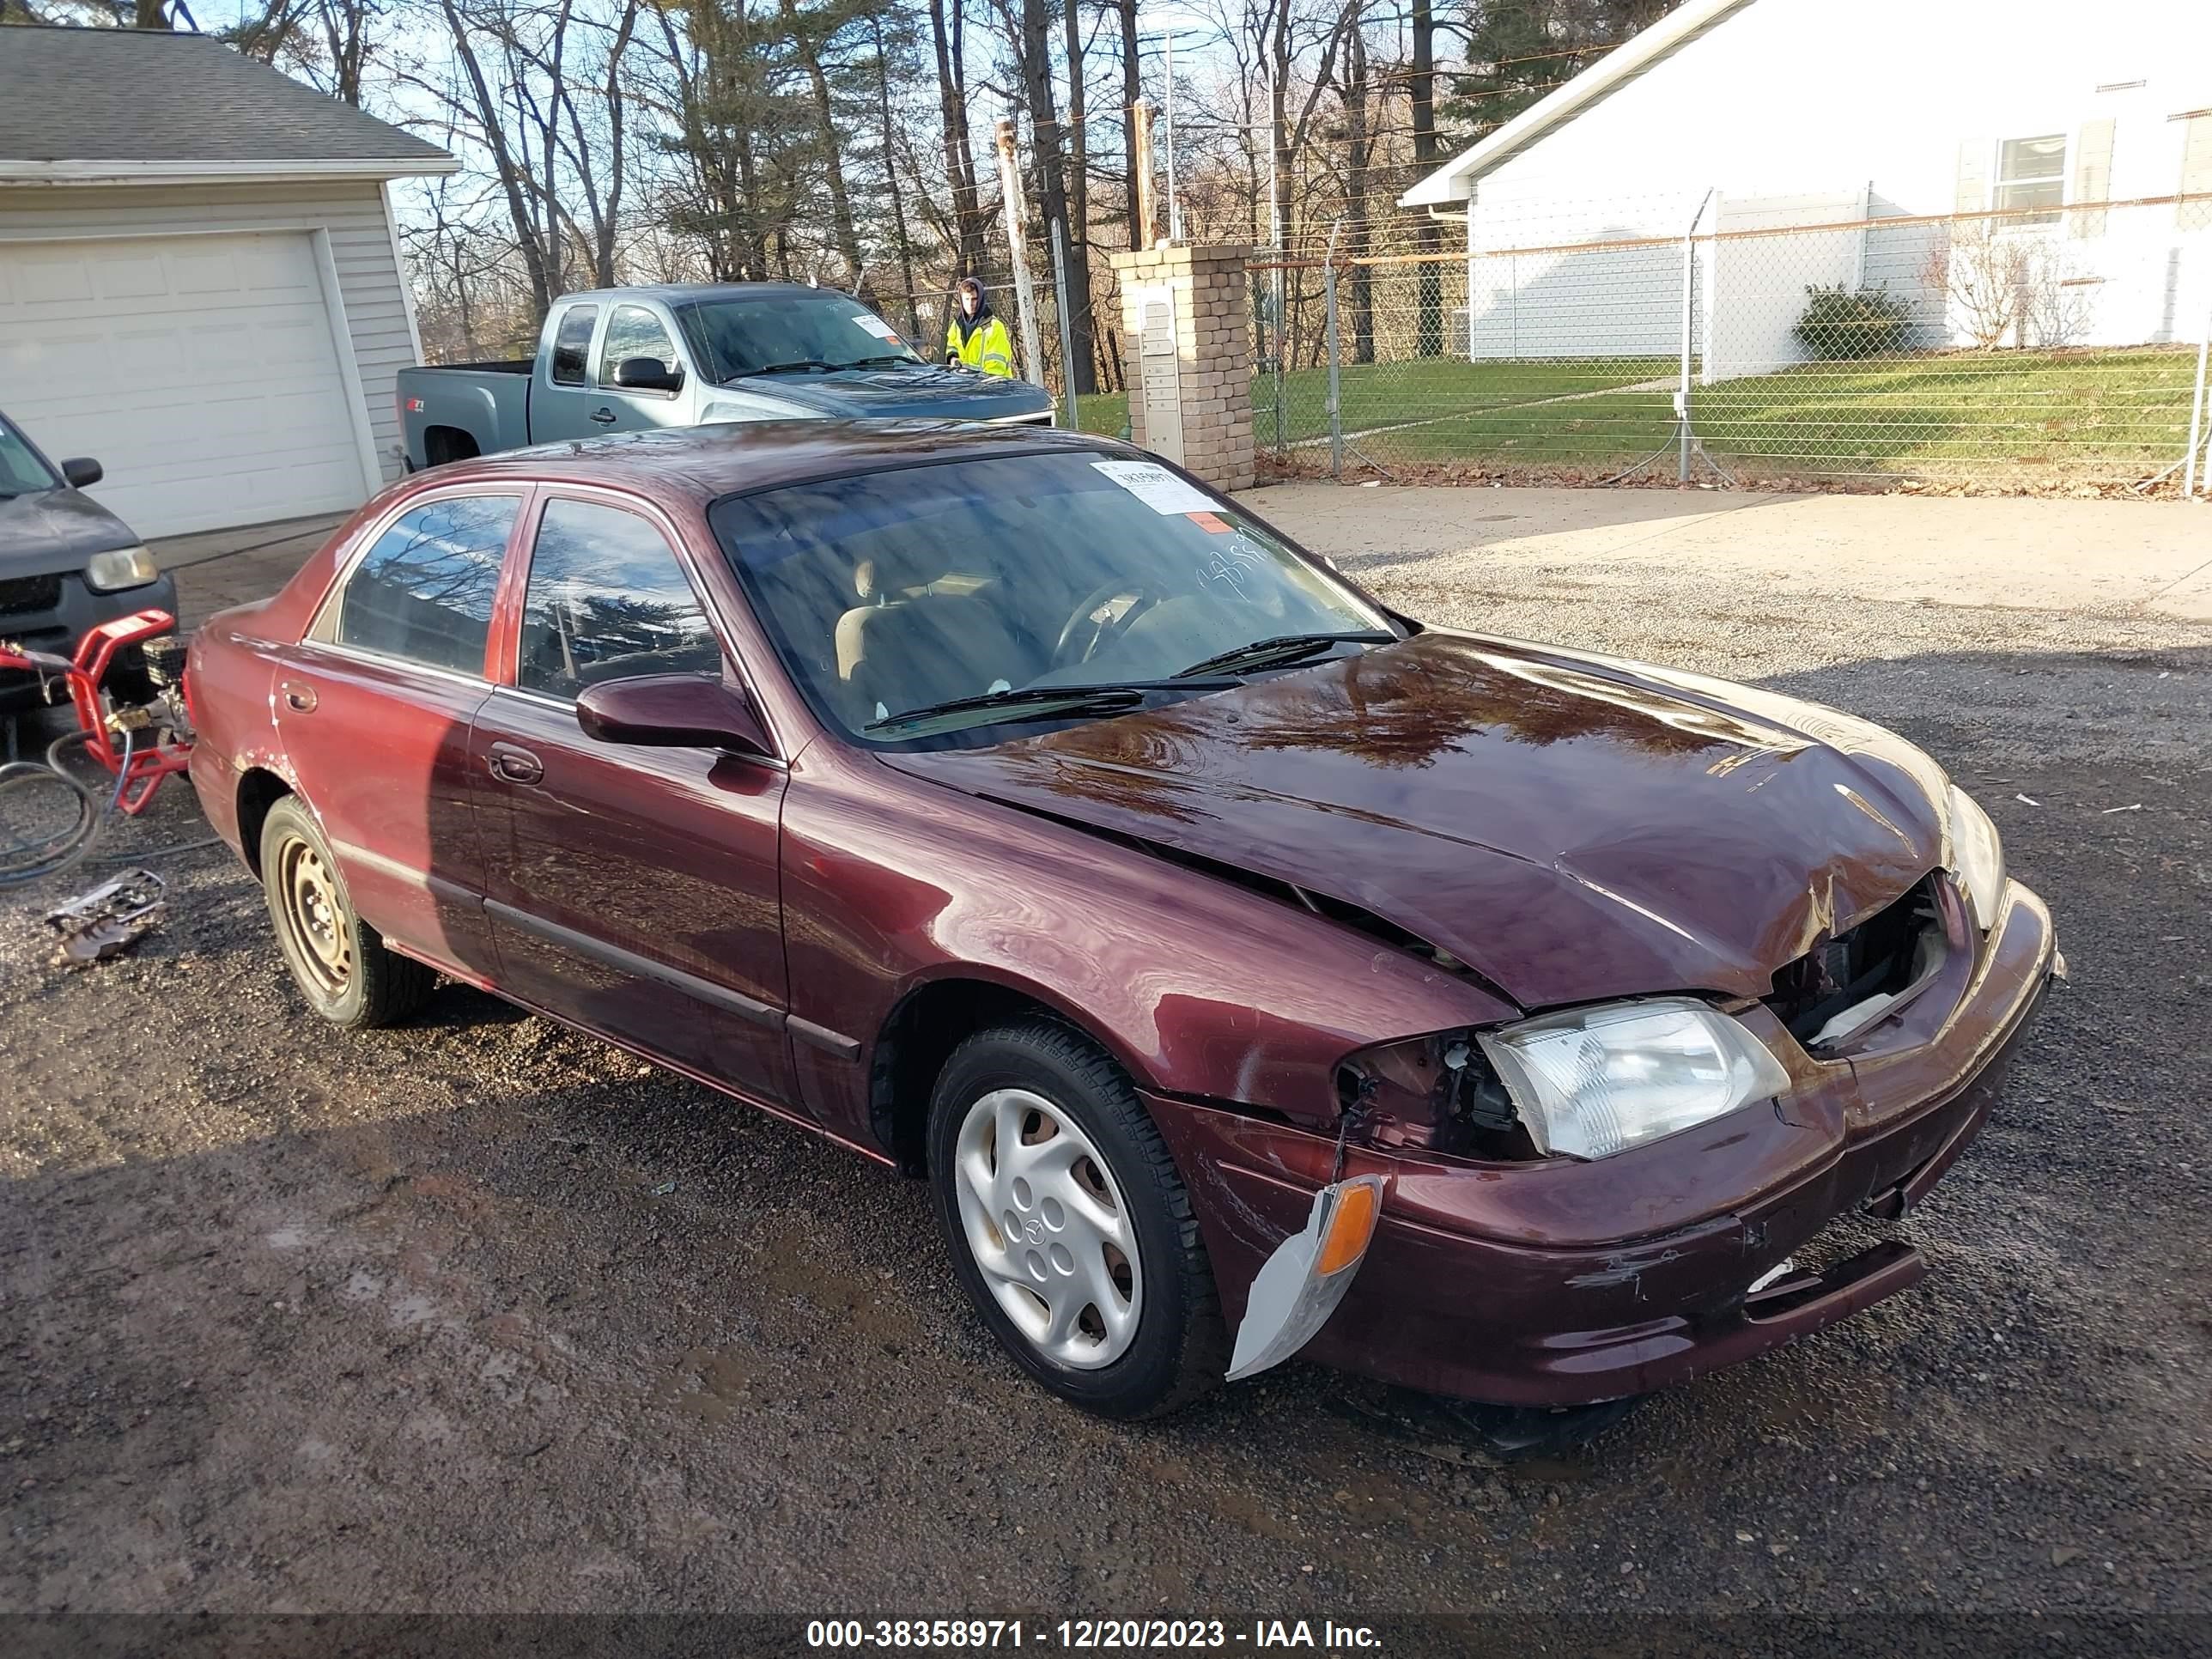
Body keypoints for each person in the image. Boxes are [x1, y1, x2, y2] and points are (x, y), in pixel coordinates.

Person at [944, 276, 1016, 379]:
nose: (970, 304)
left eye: (974, 299)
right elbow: (951, 346)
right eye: (966, 299)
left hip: (993, 387)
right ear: (961, 300)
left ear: (981, 299)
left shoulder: (994, 327)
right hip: (966, 384)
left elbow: (996, 367)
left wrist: (983, 385)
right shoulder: (957, 324)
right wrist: (952, 358)